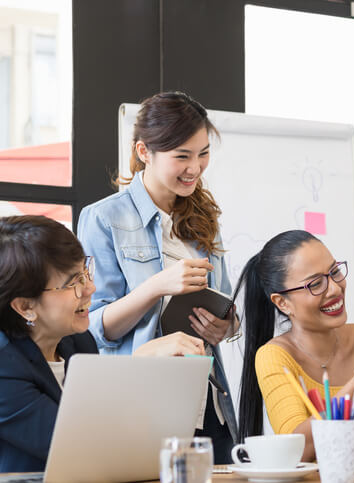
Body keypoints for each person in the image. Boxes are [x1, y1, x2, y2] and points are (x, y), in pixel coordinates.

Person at [77, 91, 238, 462]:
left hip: (207, 401)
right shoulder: (104, 218)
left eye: (203, 154)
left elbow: (226, 304)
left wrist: (225, 328)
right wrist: (157, 287)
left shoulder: (205, 221)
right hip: (142, 405)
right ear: (144, 152)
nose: (194, 168)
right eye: (181, 156)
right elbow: (93, 328)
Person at [0, 215, 205, 473]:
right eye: (73, 283)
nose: (91, 289)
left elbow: (121, 433)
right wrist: (137, 366)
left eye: (85, 273)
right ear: (25, 306)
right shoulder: (4, 368)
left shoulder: (77, 341)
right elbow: (80, 448)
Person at [238, 230, 354, 461]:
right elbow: (294, 451)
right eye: (315, 284)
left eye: (334, 272)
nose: (335, 288)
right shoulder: (275, 357)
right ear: (282, 302)